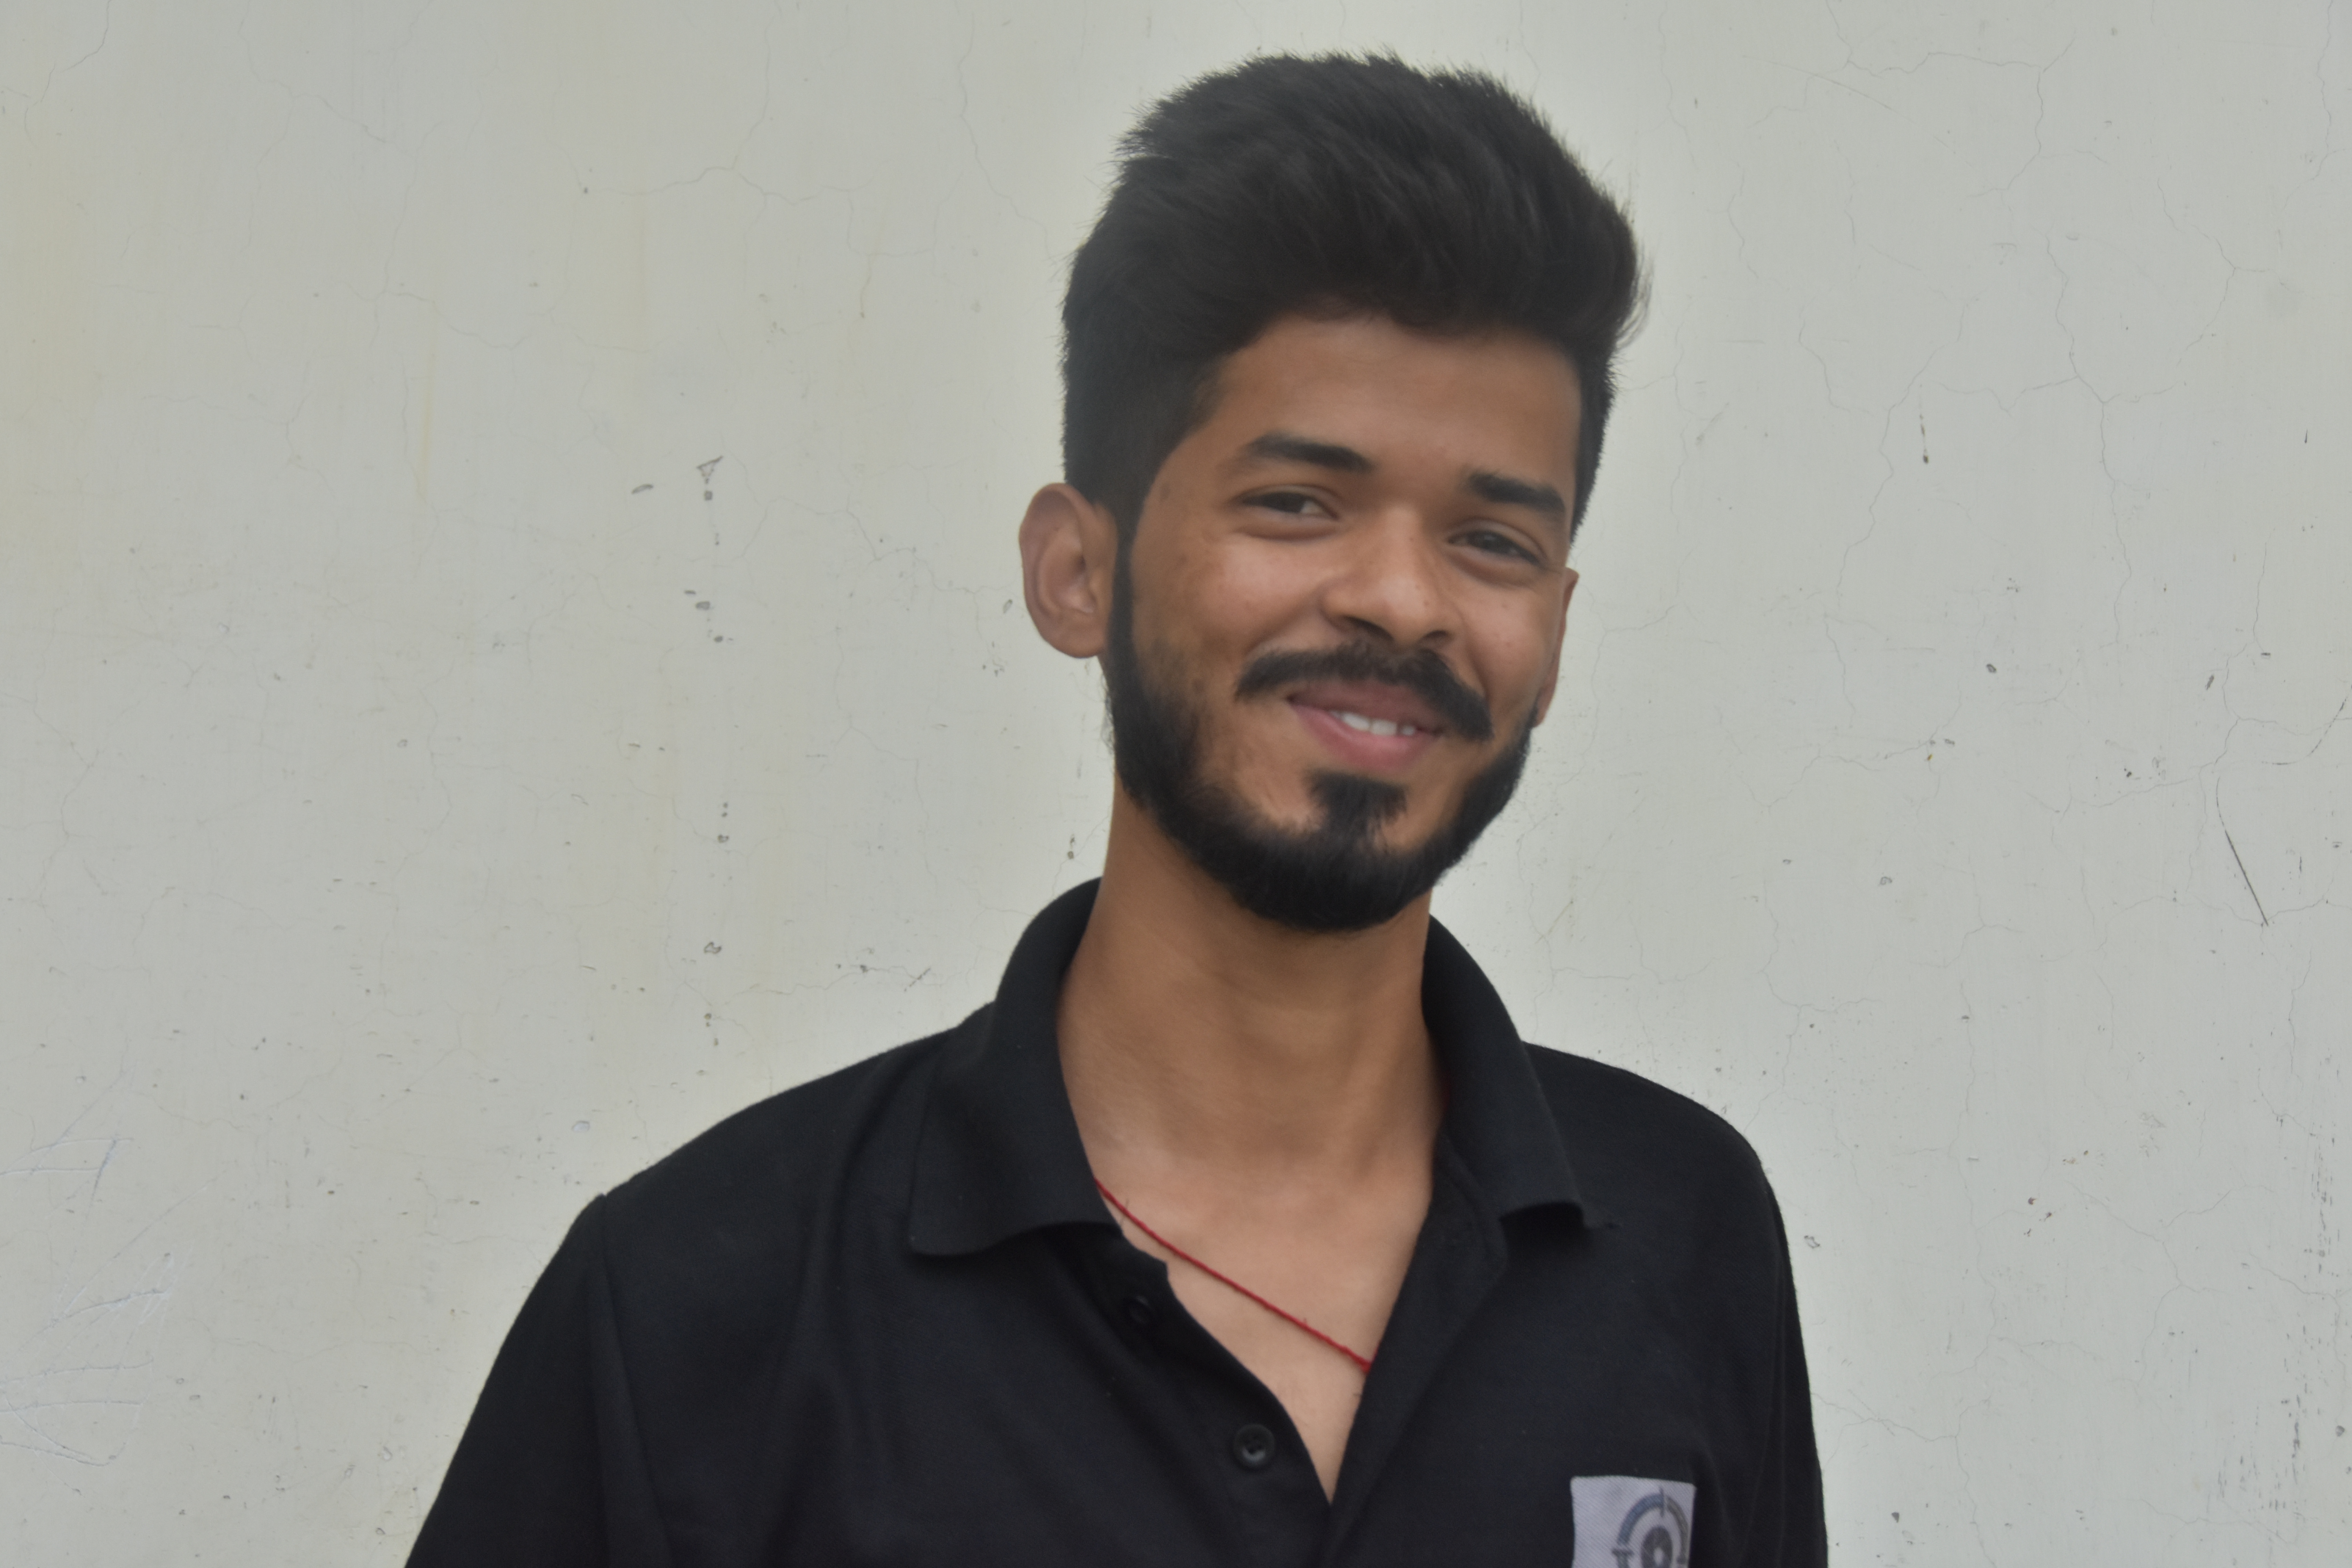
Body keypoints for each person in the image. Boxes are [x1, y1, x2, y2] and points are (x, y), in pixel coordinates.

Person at [408, 53, 1824, 1568]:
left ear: (1555, 633)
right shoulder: (697, 1304)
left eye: (1493, 539)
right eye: (1298, 503)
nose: (1404, 600)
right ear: (1077, 573)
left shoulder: (1686, 1231)